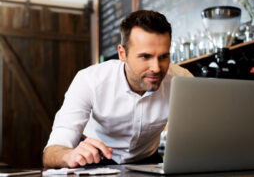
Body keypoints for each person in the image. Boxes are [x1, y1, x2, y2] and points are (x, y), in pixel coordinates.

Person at [42, 10, 193, 168]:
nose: (156, 68)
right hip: (95, 158)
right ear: (122, 54)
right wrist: (68, 155)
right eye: (145, 56)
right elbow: (52, 152)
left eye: (163, 56)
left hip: (148, 159)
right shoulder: (89, 80)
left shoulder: (182, 81)